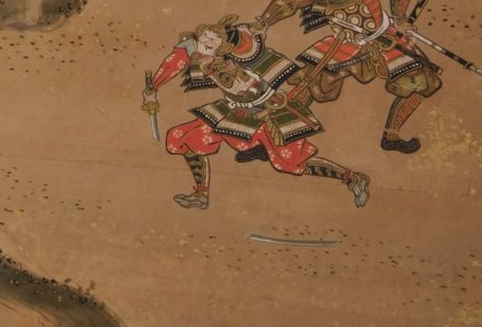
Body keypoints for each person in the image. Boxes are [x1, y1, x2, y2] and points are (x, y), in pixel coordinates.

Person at [143, 16, 370, 211]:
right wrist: (153, 87)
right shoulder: (200, 53)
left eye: (211, 40)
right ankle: (201, 194)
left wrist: (247, 37)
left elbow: (246, 50)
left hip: (268, 113)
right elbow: (176, 60)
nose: (204, 41)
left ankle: (352, 177)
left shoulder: (237, 55)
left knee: (288, 163)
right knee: (183, 137)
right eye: (203, 37)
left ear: (224, 47)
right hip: (233, 111)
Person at [256, 0, 442, 154]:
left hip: (384, 38)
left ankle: (391, 136)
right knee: (311, 81)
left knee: (420, 81)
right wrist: (262, 23)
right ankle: (273, 140)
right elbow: (287, 2)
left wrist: (400, 18)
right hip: (345, 42)